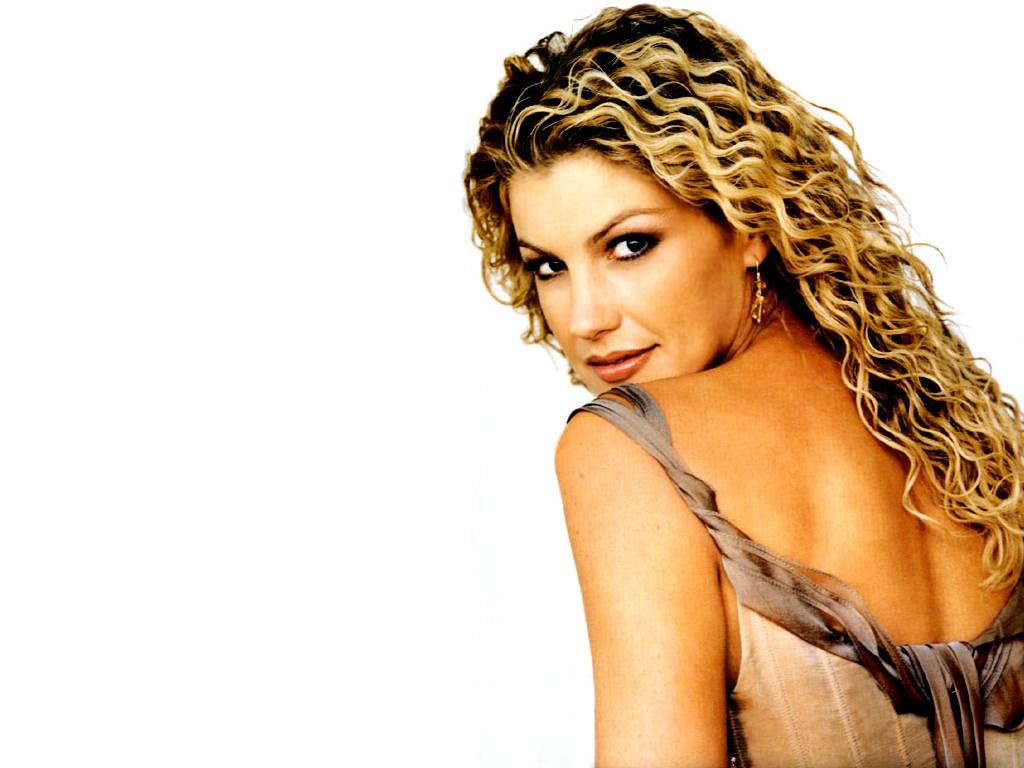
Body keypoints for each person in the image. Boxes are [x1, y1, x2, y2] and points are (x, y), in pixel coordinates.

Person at [462, 4, 1024, 767]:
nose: (584, 317)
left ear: (751, 221)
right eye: (549, 266)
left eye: (630, 245)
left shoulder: (629, 451)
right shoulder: (968, 440)